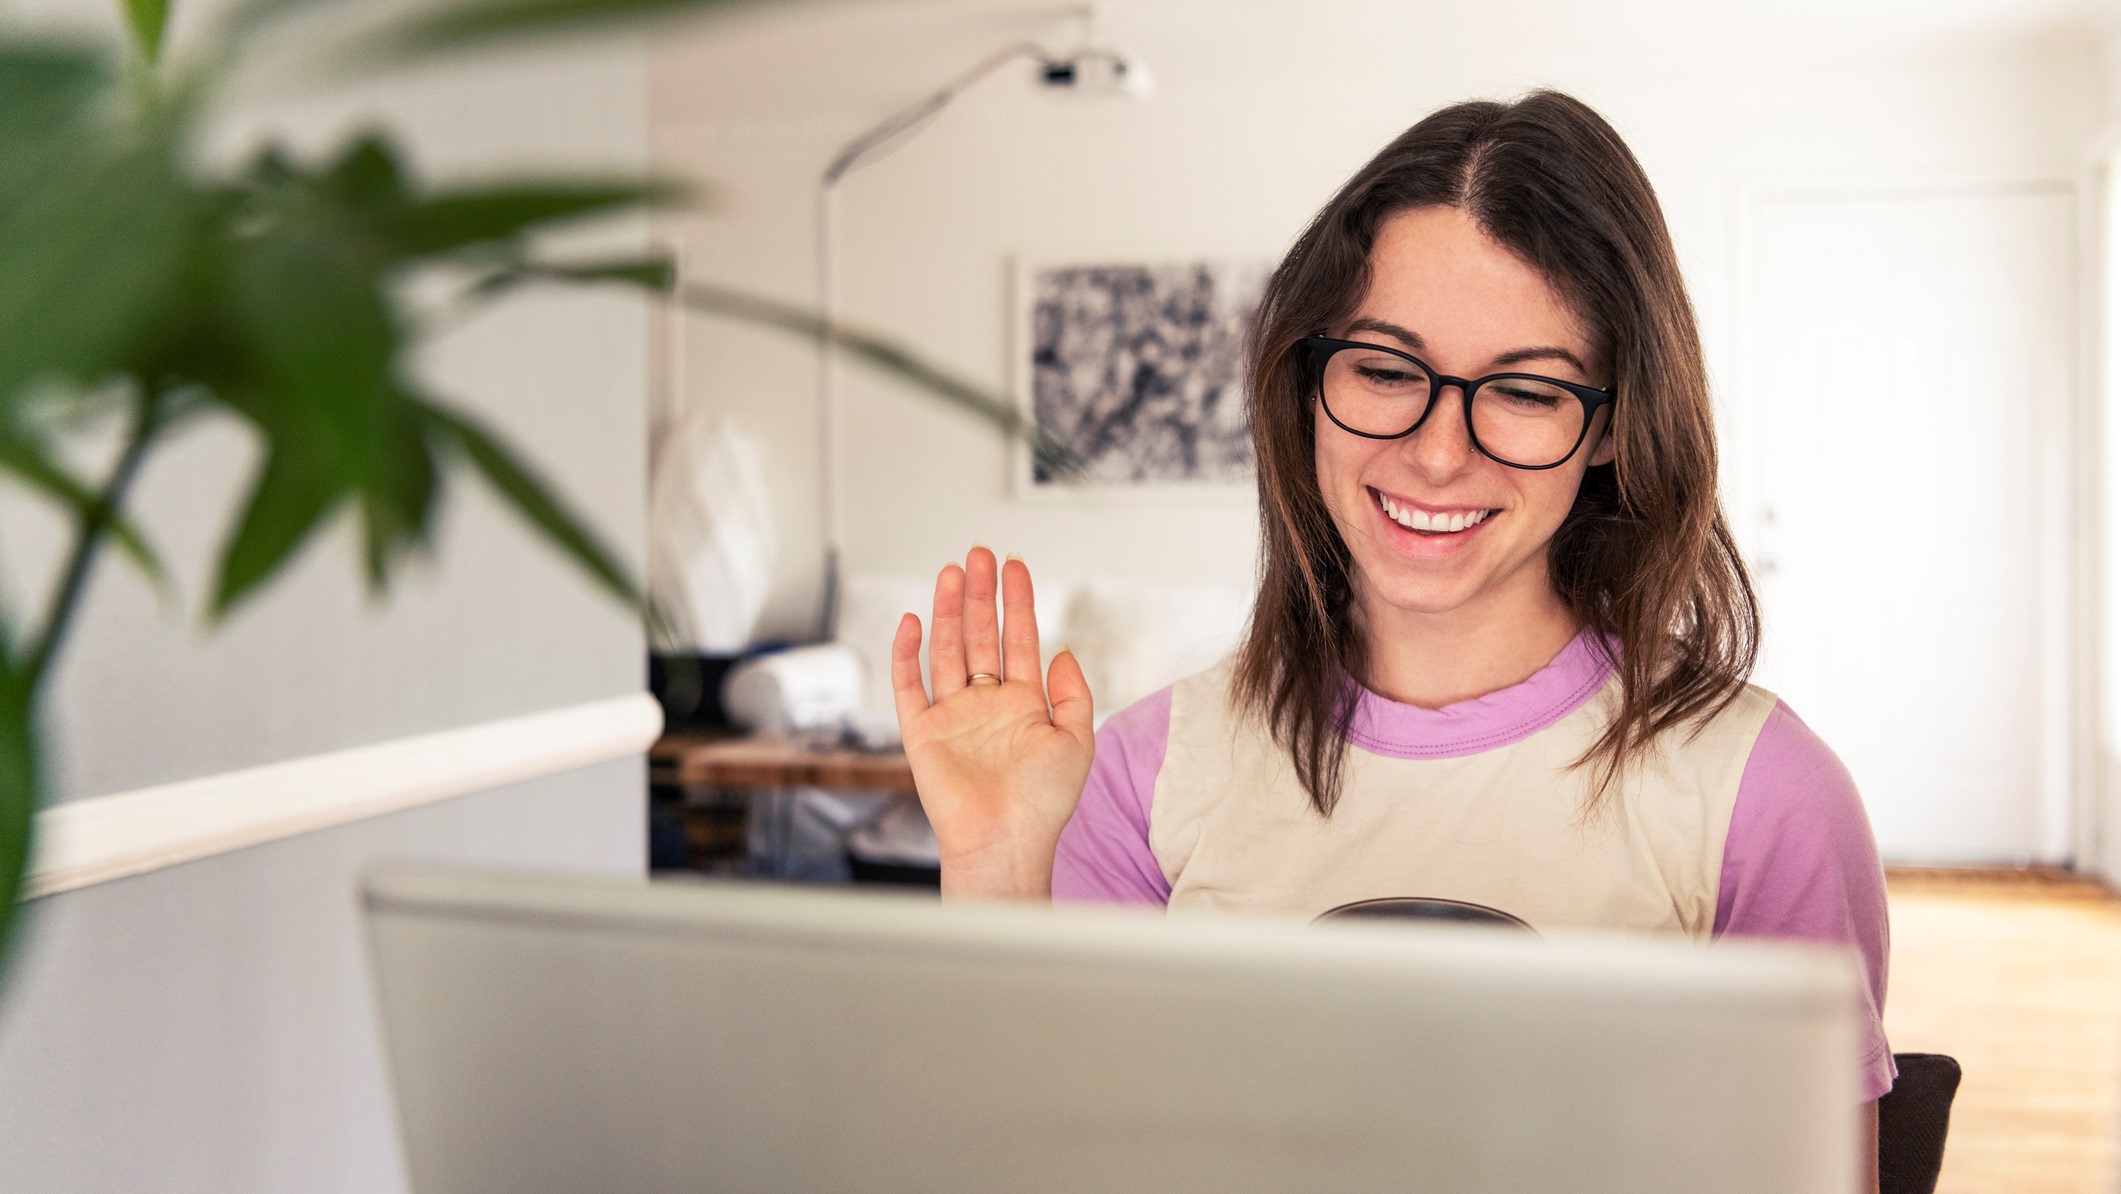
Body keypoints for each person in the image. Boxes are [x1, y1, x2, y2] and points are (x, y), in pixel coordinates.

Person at [888, 91, 1890, 1186]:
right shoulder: (1138, 777)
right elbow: (1038, 1165)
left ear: (1609, 425)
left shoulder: (1765, 796)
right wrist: (993, 867)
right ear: (1308, 384)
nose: (1438, 452)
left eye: (1522, 389)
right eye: (1385, 370)